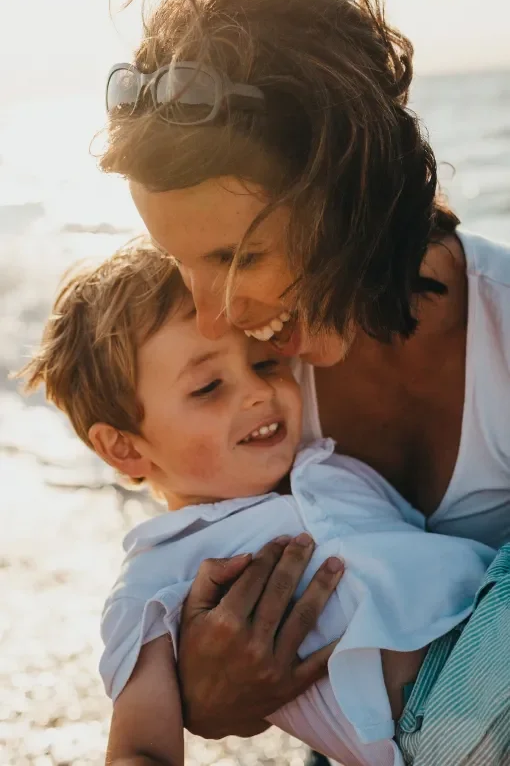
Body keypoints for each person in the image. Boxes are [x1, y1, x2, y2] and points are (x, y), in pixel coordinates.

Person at [97, 0, 510, 757]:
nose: (216, 313)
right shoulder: (248, 385)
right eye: (181, 262)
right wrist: (214, 697)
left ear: (349, 201)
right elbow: (221, 590)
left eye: (239, 257)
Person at [17, 239, 496, 766]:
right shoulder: (159, 574)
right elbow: (138, 751)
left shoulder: (330, 465)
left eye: (266, 363)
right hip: (441, 708)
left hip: (486, 626)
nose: (257, 392)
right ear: (125, 447)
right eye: (208, 387)